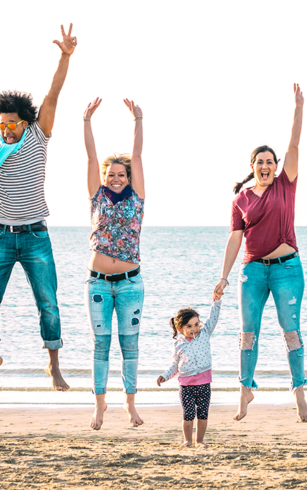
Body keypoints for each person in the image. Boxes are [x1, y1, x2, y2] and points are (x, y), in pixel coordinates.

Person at [214, 84, 307, 423]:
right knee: (247, 332)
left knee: (290, 331)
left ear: (276, 165)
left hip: (287, 269)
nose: (266, 166)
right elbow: (234, 240)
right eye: (261, 162)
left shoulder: (286, 183)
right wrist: (224, 277)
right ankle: (245, 391)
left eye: (271, 162)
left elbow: (294, 143)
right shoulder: (241, 199)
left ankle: (299, 391)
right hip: (252, 271)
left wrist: (298, 108)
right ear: (252, 166)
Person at [0, 24, 77, 391]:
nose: (6, 131)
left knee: (48, 302)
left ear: (24, 121)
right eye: (1, 126)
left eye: (11, 124)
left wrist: (64, 56)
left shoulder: (37, 134)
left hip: (35, 235)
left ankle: (53, 365)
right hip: (0, 234)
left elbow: (53, 94)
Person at [83, 97, 145, 430]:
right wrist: (87, 122)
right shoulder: (97, 195)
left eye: (121, 174)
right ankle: (99, 405)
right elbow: (92, 157)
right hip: (97, 283)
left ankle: (130, 405)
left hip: (131, 283)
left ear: (129, 177)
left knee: (130, 345)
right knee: (101, 345)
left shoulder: (137, 198)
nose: (116, 178)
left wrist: (138, 119)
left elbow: (137, 156)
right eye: (112, 174)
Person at [157, 299, 222, 447]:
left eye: (196, 324)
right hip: (186, 387)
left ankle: (200, 441)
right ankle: (188, 441)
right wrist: (165, 376)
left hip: (204, 384)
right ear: (180, 328)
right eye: (189, 326)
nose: (194, 328)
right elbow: (175, 365)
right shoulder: (179, 345)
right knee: (188, 414)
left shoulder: (205, 334)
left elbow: (213, 317)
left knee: (203, 414)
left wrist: (216, 301)